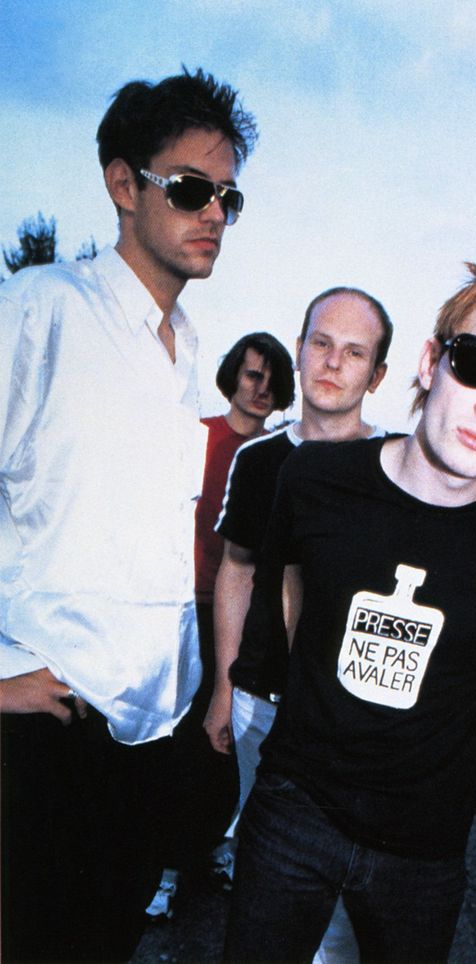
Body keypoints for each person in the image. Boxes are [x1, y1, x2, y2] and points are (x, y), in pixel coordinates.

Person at [222, 242, 476, 962]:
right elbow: (298, 600)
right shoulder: (315, 479)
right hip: (296, 806)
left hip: (427, 844)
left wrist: (468, 747)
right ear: (432, 361)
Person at [0, 68, 256, 963]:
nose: (214, 213)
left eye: (228, 196)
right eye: (190, 189)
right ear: (122, 184)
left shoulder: (188, 352)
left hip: (148, 730)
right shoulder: (41, 310)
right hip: (45, 723)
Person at [205, 285, 392, 961]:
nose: (332, 363)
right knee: (269, 879)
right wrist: (226, 686)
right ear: (300, 348)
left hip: (357, 720)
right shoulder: (257, 461)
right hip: (263, 702)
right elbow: (237, 568)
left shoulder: (401, 465)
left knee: (345, 891)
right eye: (321, 343)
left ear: (377, 375)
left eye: (354, 352)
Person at [148, 332, 296, 917]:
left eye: (272, 380)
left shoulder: (281, 454)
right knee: (181, 739)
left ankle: (215, 848)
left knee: (230, 741)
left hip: (240, 615)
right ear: (233, 375)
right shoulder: (199, 436)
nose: (261, 388)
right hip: (182, 604)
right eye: (252, 374)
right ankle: (163, 867)